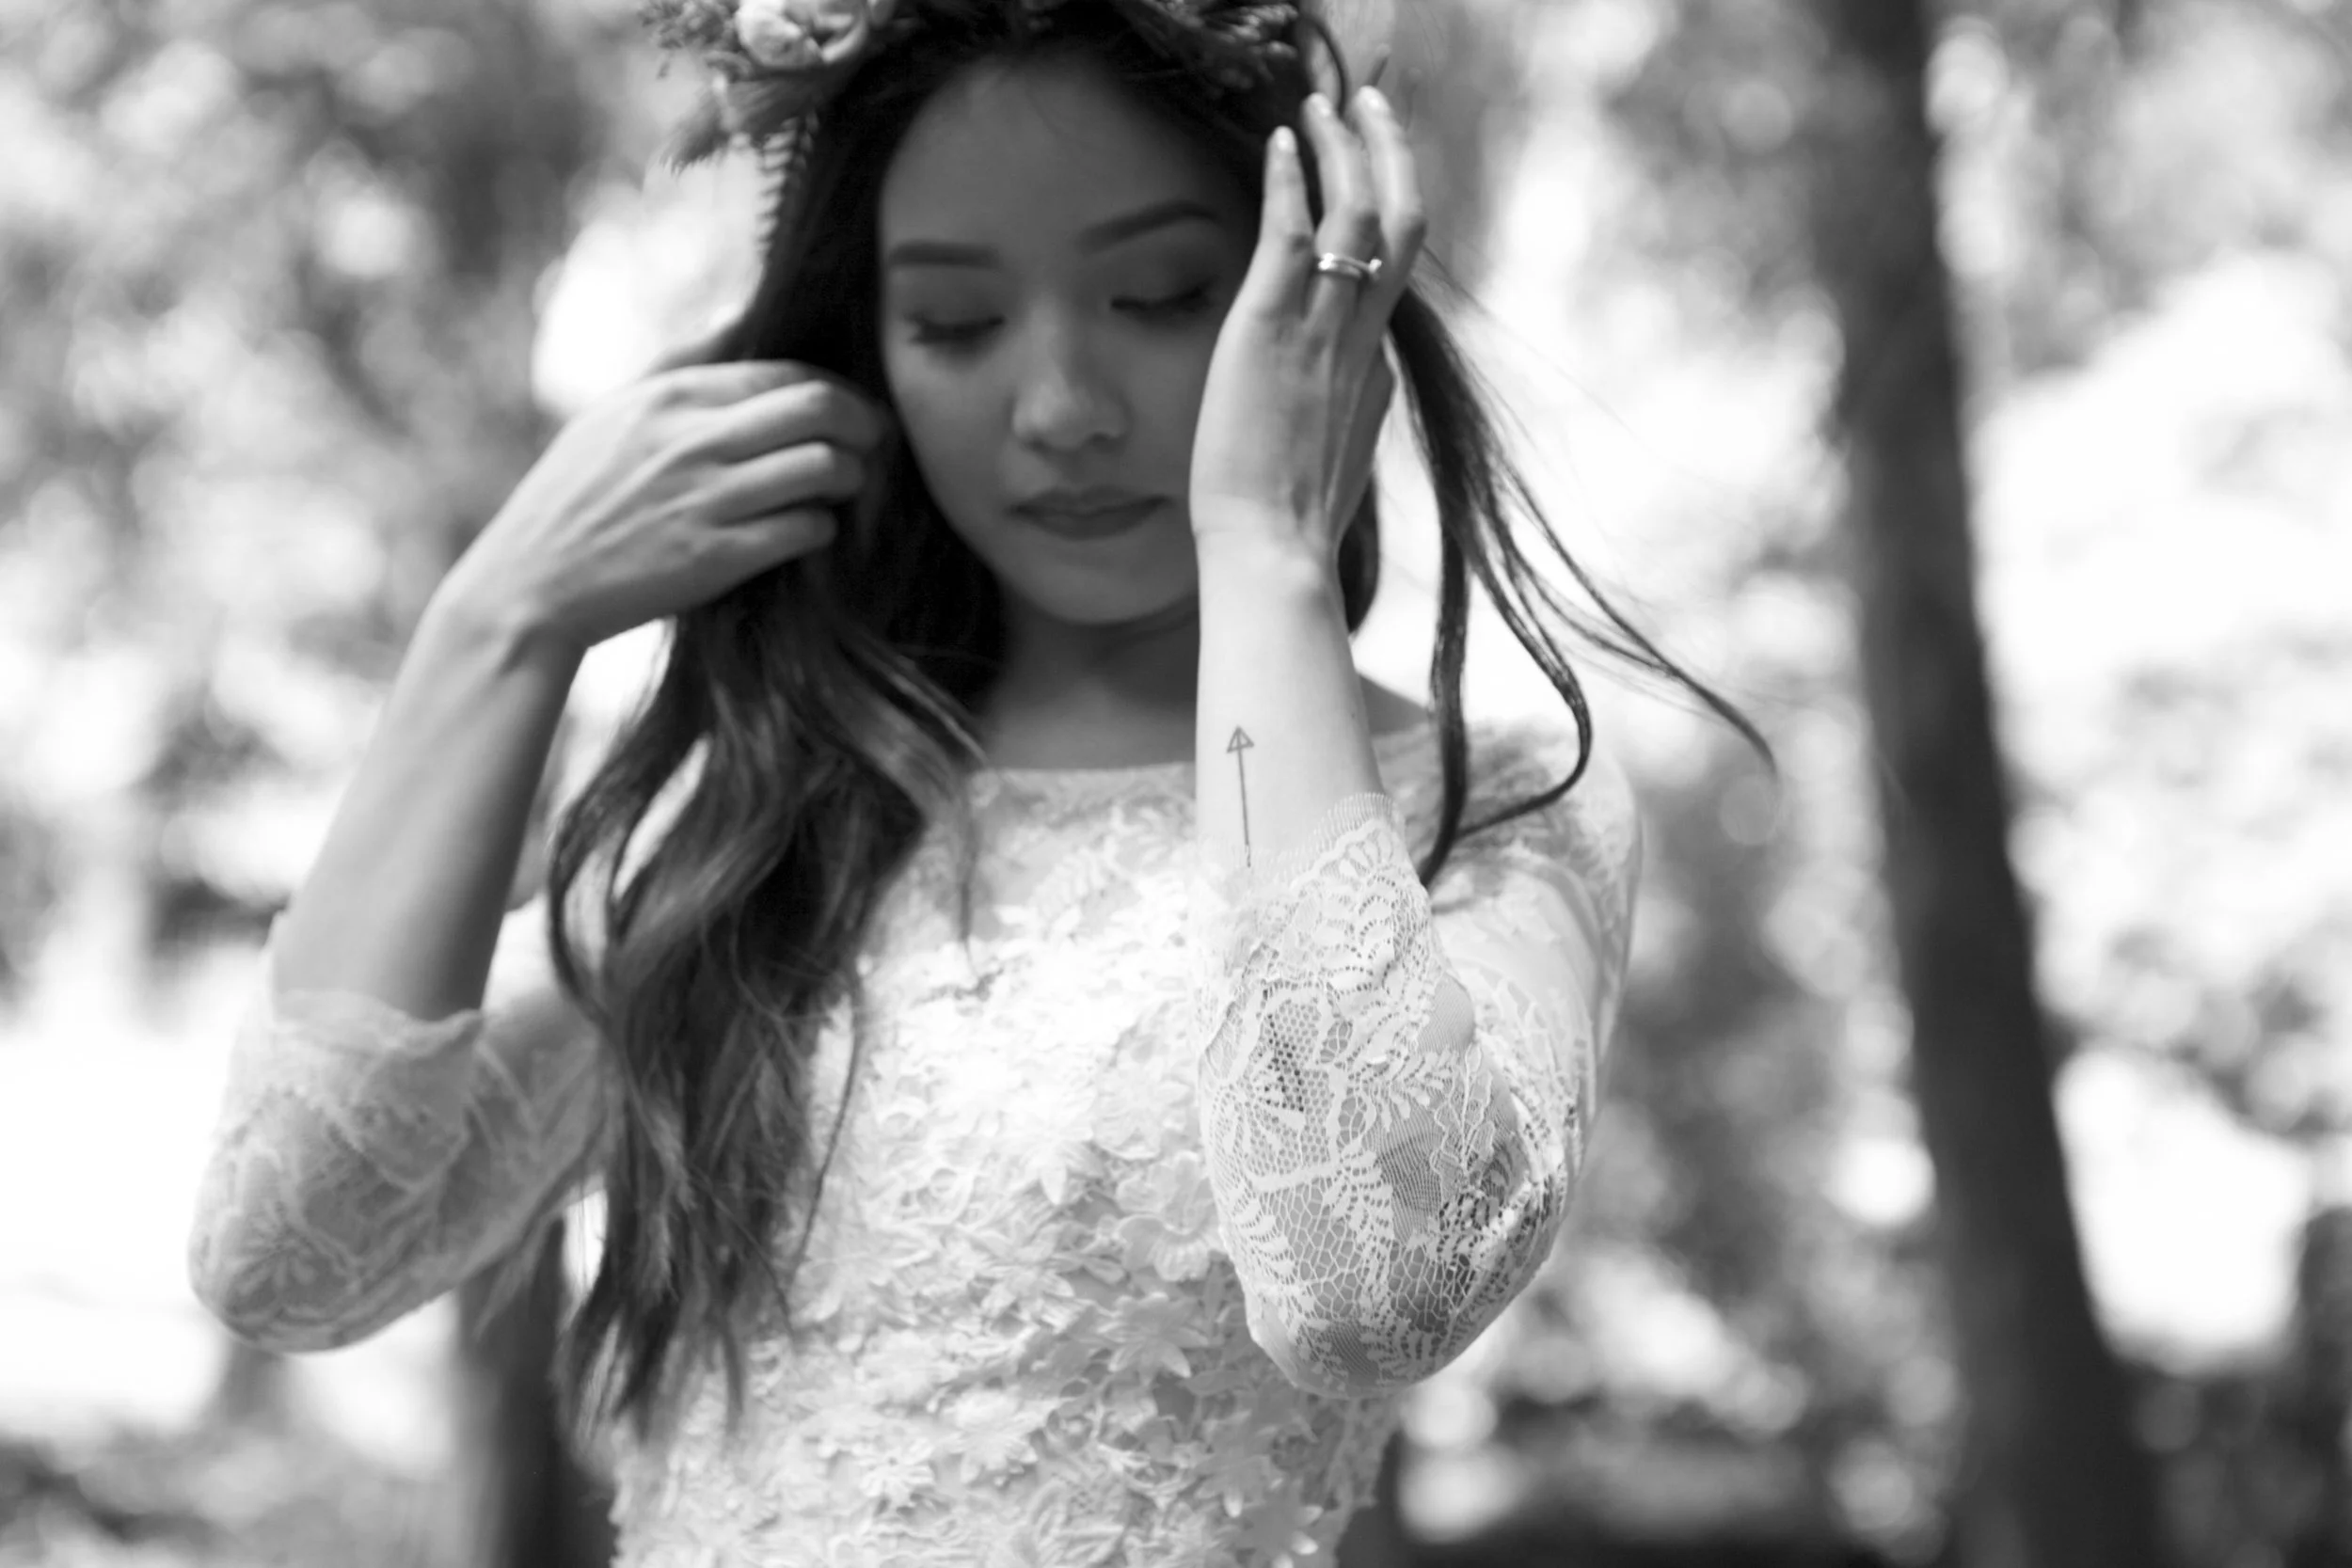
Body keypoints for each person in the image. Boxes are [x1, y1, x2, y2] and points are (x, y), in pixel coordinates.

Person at [186, 0, 1757, 1561]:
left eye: (1158, 293)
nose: (1060, 408)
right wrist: (494, 629)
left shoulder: (1494, 804)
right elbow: (293, 1255)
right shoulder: (760, 810)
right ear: (861, 345)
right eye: (953, 322)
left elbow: (1379, 1281)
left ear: (1327, 276)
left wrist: (1265, 557)